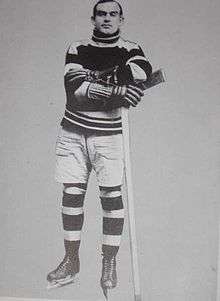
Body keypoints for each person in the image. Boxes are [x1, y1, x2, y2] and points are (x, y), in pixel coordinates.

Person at [47, 0, 152, 295]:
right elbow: (76, 91)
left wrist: (94, 80)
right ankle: (71, 259)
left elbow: (142, 75)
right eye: (101, 14)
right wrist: (119, 90)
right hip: (72, 131)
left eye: (113, 14)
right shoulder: (77, 47)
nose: (107, 18)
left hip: (108, 135)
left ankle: (109, 263)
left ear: (122, 18)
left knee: (111, 196)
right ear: (93, 18)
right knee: (71, 193)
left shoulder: (132, 48)